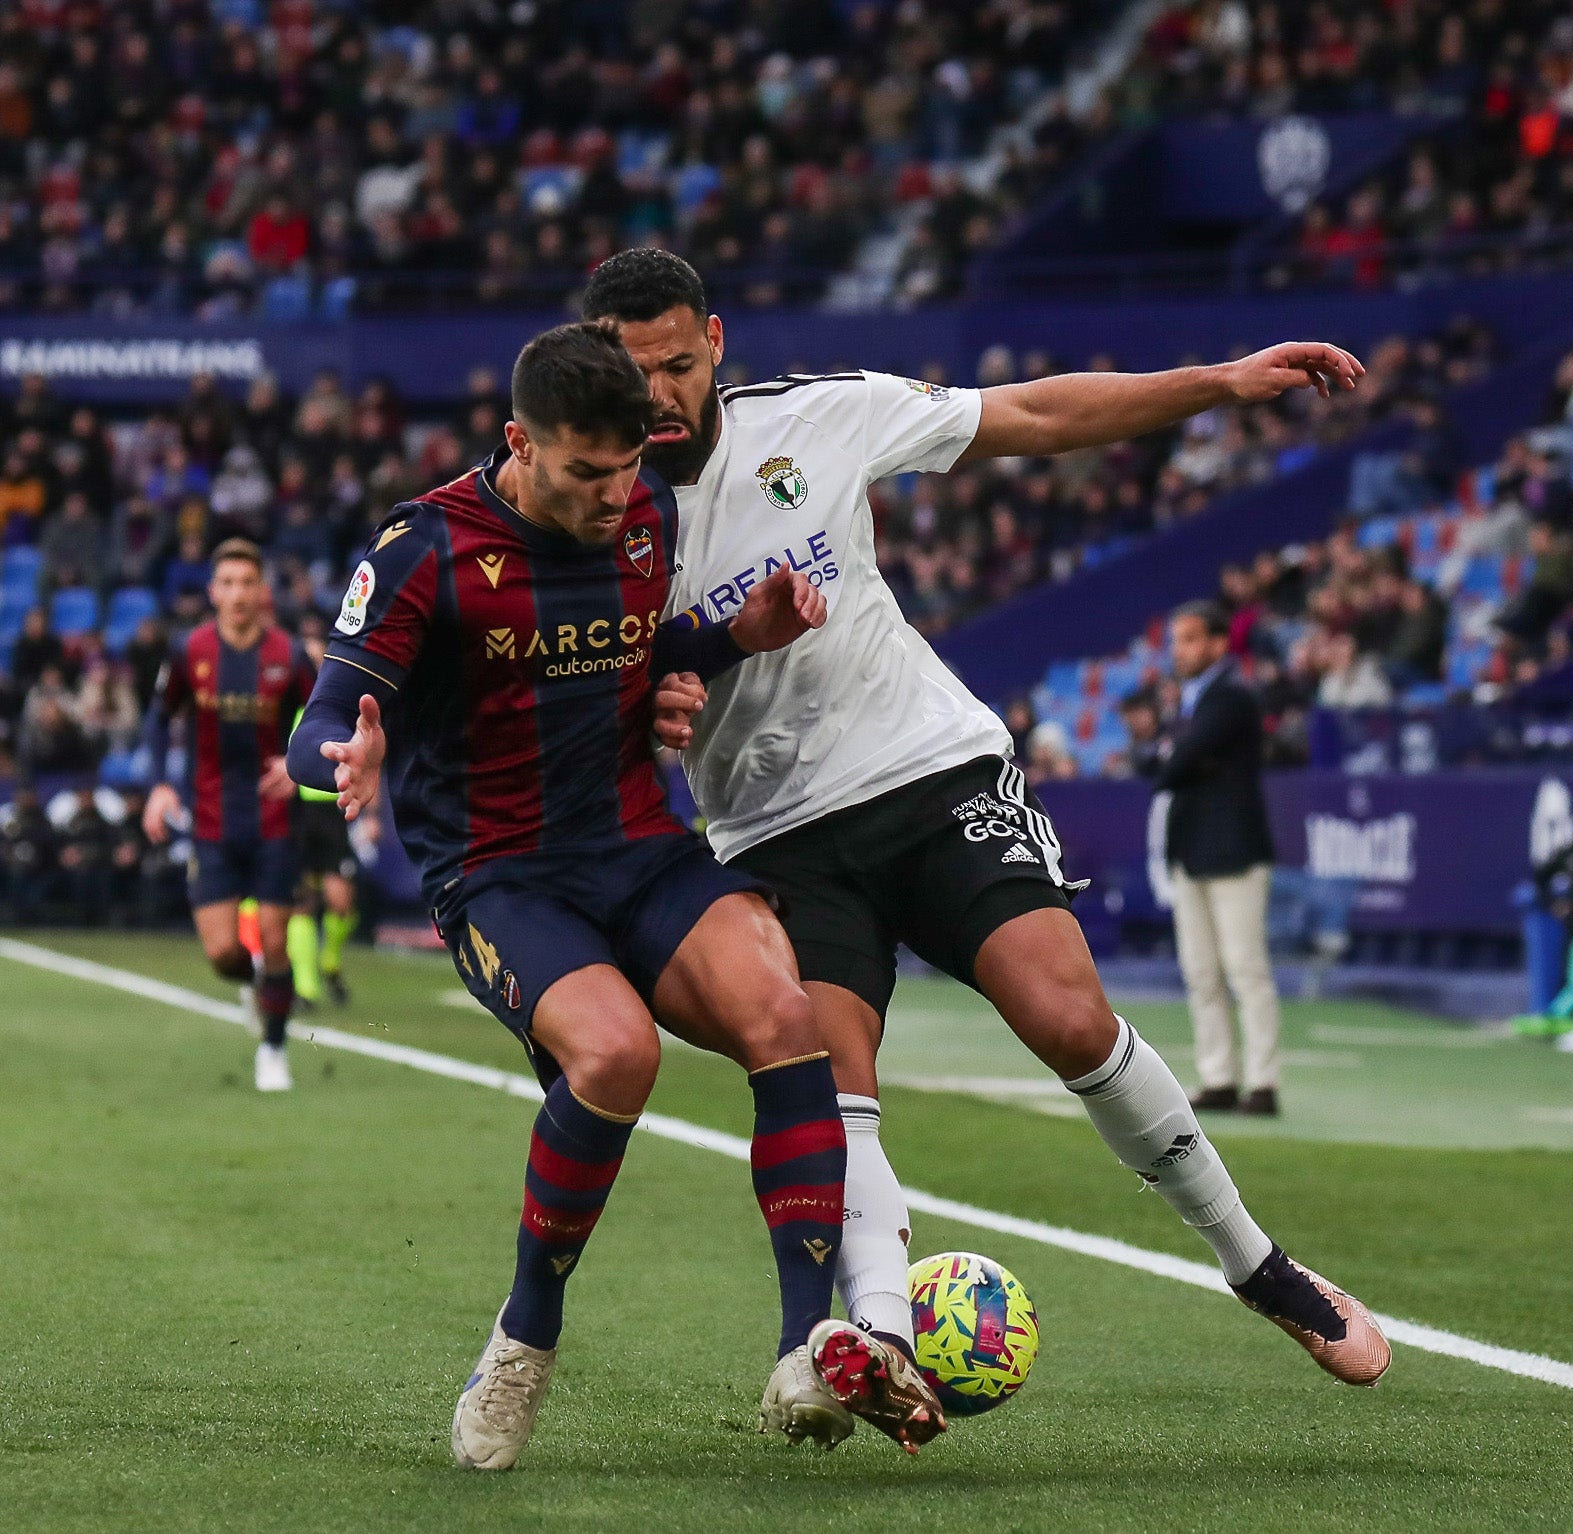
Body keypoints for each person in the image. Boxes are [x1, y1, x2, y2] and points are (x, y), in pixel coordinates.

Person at [585, 247, 1390, 1395]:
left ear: (712, 343)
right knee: (833, 1084)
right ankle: (882, 1341)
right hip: (774, 833)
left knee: (1070, 1021)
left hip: (931, 772)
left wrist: (1217, 379)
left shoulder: (822, 418)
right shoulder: (589, 517)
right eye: (630, 374)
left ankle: (1254, 1261)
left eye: (673, 364)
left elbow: (1035, 412)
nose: (657, 395)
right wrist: (654, 693)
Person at [285, 324, 938, 1470]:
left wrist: (738, 634)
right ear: (519, 446)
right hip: (497, 871)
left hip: (635, 843)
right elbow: (327, 710)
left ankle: (804, 1350)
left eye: (629, 468)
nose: (613, 495)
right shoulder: (423, 545)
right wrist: (345, 752)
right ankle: (526, 1332)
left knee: (790, 1021)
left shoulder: (648, 515)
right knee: (617, 1054)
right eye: (586, 472)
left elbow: (649, 644)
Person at [141, 539, 316, 1093]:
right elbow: (155, 721)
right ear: (213, 592)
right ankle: (256, 985)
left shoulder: (289, 657)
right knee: (222, 953)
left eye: (248, 583)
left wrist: (296, 765)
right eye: (228, 583)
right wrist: (159, 786)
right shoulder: (188, 650)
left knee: (273, 935)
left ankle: (273, 1048)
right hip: (210, 821)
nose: (239, 594)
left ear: (262, 592)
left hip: (273, 821)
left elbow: (324, 720)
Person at [1150, 600, 1284, 1115]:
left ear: (1218, 643)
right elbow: (1175, 761)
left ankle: (1264, 1081)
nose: (1178, 651)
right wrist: (1178, 758)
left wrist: (1177, 757)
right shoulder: (1194, 701)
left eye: (1189, 639)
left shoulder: (1231, 697)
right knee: (1201, 972)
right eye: (1176, 640)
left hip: (1233, 852)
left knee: (1246, 968)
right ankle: (1219, 1076)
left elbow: (1173, 762)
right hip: (1194, 849)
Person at [285, 620, 371, 1008]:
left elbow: (370, 759)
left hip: (336, 813)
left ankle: (329, 960)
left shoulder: (343, 709)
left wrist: (375, 815)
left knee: (341, 903)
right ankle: (305, 988)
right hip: (298, 814)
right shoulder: (286, 705)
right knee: (301, 899)